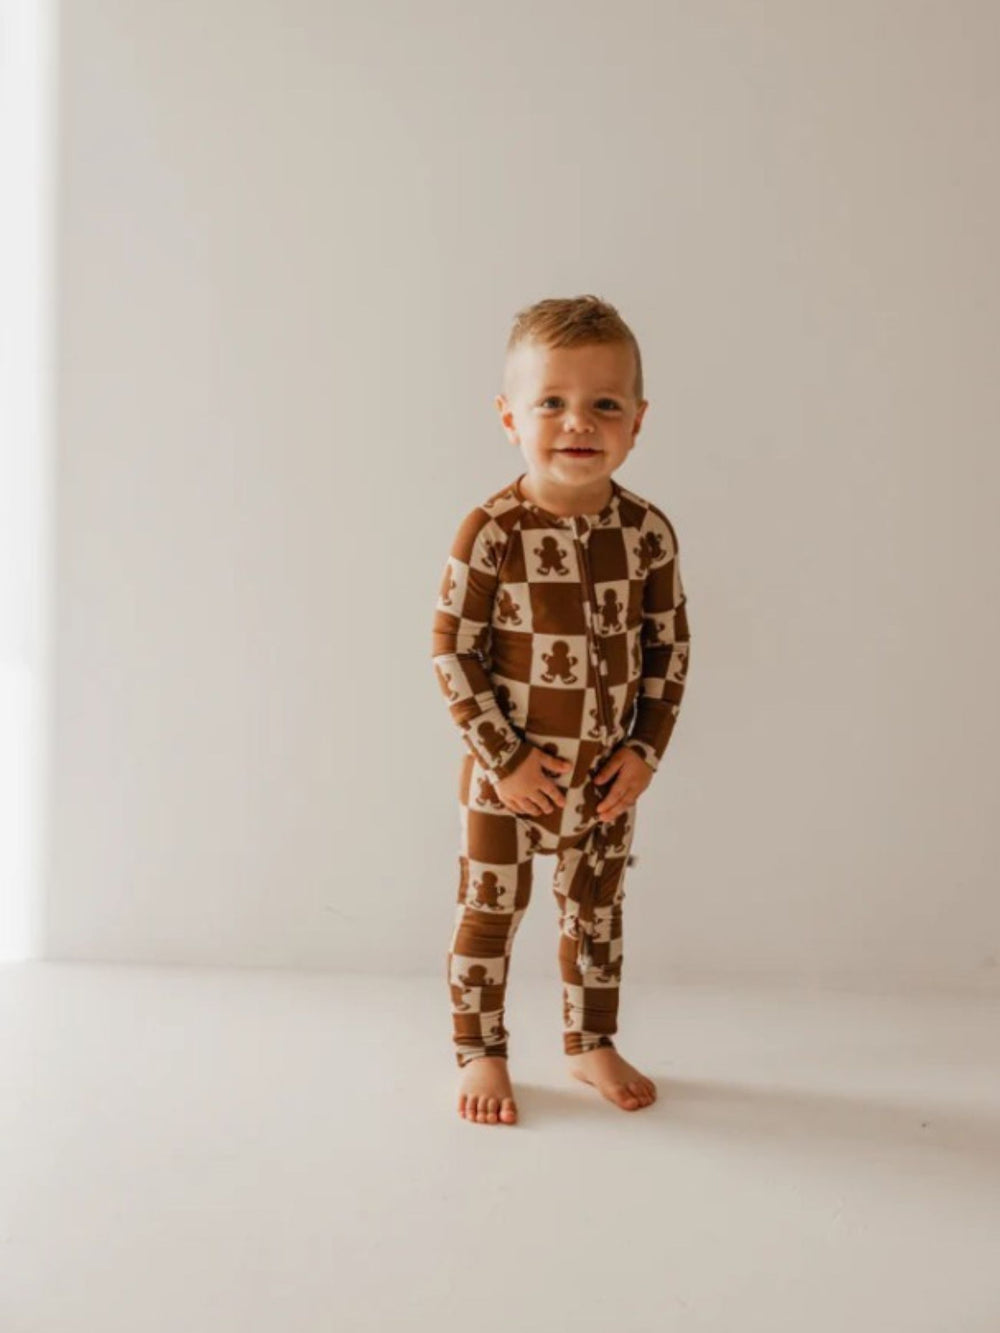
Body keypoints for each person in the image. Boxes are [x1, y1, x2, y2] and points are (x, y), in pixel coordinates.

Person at [431, 295, 691, 1126]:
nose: (578, 421)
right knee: (489, 913)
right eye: (551, 401)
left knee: (597, 916)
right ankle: (480, 1049)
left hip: (605, 781)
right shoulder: (492, 532)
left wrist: (644, 751)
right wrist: (505, 759)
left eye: (604, 403)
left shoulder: (647, 534)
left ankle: (589, 1040)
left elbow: (668, 650)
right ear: (510, 416)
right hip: (506, 783)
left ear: (637, 421)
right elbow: (452, 652)